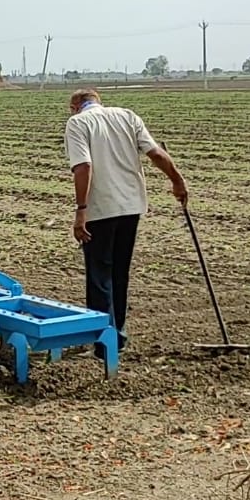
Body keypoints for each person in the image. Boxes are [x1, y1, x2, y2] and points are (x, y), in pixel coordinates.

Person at [63, 88, 188, 346]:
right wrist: (178, 181)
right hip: (131, 206)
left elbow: (83, 166)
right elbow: (155, 153)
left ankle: (103, 340)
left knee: (99, 274)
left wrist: (81, 210)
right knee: (120, 271)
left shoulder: (77, 123)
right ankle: (118, 332)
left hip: (100, 208)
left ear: (75, 107)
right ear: (98, 101)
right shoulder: (127, 116)